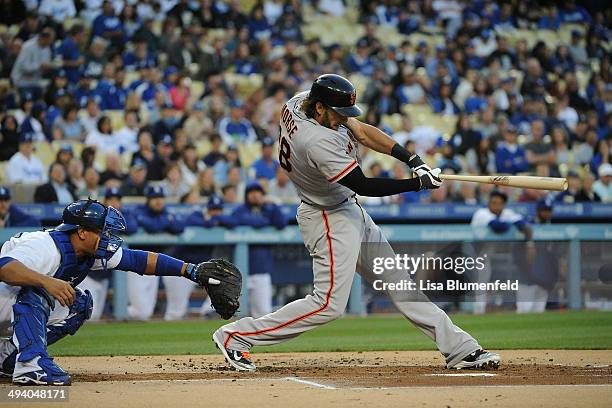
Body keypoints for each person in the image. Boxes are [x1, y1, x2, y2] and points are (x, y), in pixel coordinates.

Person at [213, 74, 500, 371]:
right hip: (327, 216)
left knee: (398, 282)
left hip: (346, 208)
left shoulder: (302, 100)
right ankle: (237, 335)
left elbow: (362, 131)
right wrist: (416, 185)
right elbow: (363, 184)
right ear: (321, 107)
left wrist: (412, 159)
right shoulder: (315, 141)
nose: (343, 119)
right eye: (338, 113)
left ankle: (460, 349)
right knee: (328, 305)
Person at [0, 198, 224, 385]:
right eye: (102, 230)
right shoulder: (44, 246)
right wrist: (47, 282)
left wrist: (189, 270)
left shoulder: (86, 251)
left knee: (78, 305)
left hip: (11, 305)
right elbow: (5, 268)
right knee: (38, 291)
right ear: (81, 232)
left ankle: (8, 355)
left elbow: (137, 259)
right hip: (4, 297)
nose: (107, 236)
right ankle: (32, 365)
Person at [128, 186, 195, 321]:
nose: (158, 201)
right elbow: (153, 227)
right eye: (154, 198)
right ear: (148, 200)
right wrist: (166, 221)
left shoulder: (165, 212)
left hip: (155, 266)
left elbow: (179, 226)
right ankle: (120, 314)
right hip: (136, 265)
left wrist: (164, 221)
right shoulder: (138, 211)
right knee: (141, 312)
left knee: (146, 312)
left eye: (160, 198)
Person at [470, 190, 534, 314]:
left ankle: (483, 312)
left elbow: (525, 226)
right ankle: (476, 313)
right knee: (477, 288)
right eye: (493, 202)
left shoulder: (506, 213)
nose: (496, 206)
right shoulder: (481, 213)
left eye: (499, 203)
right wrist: (511, 223)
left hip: (486, 257)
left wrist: (530, 244)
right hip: (471, 255)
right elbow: (498, 226)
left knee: (483, 286)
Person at [78, 188, 137, 321]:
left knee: (95, 316)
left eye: (117, 200)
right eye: (111, 199)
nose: (115, 203)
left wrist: (117, 216)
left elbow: (132, 227)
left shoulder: (121, 216)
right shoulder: (97, 215)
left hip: (103, 274)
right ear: (105, 201)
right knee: (86, 317)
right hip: (88, 273)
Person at [231, 182, 286, 318]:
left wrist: (272, 206)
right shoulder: (241, 209)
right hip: (239, 272)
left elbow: (281, 223)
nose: (255, 195)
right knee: (232, 312)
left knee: (263, 314)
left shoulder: (268, 209)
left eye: (258, 192)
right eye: (252, 192)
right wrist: (265, 221)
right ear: (246, 195)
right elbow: (239, 220)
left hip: (261, 270)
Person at [514, 197, 560, 313]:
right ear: (538, 210)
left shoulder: (553, 228)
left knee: (538, 312)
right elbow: (518, 253)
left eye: (548, 210)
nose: (546, 213)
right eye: (543, 210)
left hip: (544, 279)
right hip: (526, 279)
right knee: (524, 311)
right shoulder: (528, 224)